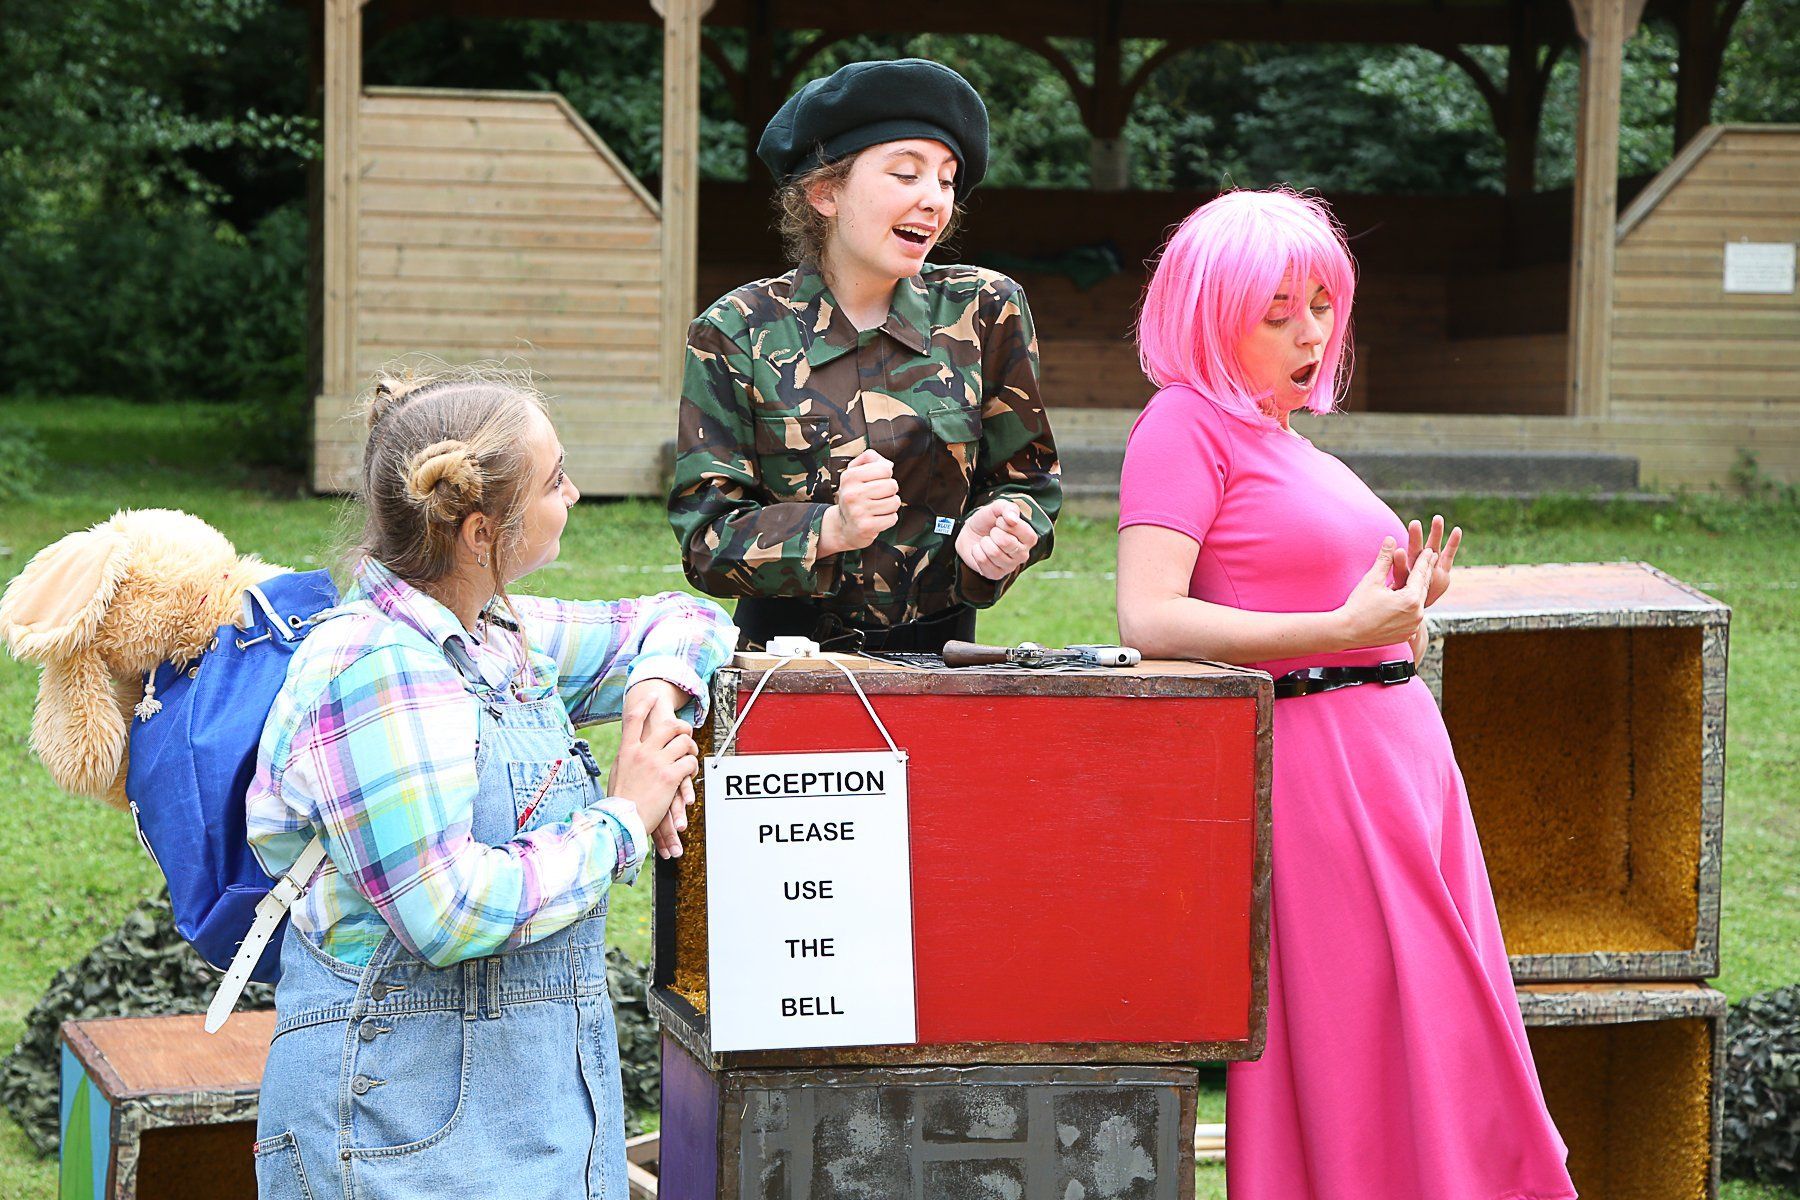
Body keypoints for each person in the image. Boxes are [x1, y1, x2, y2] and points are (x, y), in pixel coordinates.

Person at [1115, 190, 1575, 1200]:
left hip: (1400, 763)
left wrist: (1401, 611)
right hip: (1323, 773)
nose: (1311, 332)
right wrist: (1339, 629)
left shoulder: (1284, 440)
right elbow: (1148, 617)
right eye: (1277, 310)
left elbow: (1345, 612)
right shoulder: (1184, 423)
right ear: (1207, 314)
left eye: (1322, 305)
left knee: (1440, 1025)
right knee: (1368, 1029)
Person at [244, 368, 735, 1199]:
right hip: (395, 1132)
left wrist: (653, 691)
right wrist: (622, 819)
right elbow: (446, 910)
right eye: (554, 480)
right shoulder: (374, 672)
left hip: (533, 1111)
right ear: (481, 532)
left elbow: (687, 617)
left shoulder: (498, 635)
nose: (573, 494)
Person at [668, 57, 1062, 654]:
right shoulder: (737, 330)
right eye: (906, 174)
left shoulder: (986, 310)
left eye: (947, 181)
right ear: (824, 192)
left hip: (944, 664)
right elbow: (705, 541)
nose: (934, 200)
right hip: (785, 667)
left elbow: (1028, 483)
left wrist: (1001, 534)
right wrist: (830, 529)